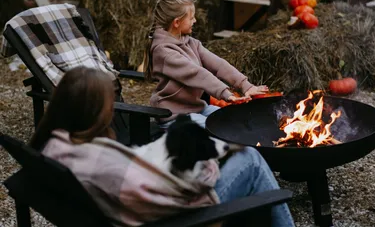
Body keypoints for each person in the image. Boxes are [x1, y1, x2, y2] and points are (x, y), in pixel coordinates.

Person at [33, 66, 295, 227]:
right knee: (250, 158)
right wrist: (209, 166)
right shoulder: (106, 167)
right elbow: (177, 192)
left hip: (137, 206)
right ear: (94, 111)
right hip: (179, 219)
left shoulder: (57, 144)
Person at [143, 0, 269, 128]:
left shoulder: (190, 42)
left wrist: (246, 86)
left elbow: (218, 65)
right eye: (191, 18)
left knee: (234, 121)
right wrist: (225, 93)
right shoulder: (164, 52)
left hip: (197, 108)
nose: (195, 21)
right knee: (219, 130)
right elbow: (197, 74)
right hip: (174, 115)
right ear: (177, 22)